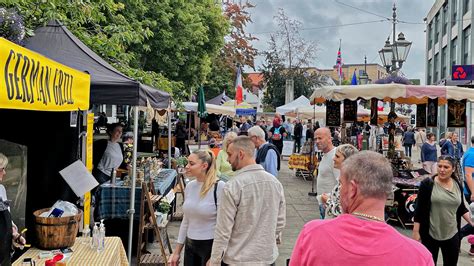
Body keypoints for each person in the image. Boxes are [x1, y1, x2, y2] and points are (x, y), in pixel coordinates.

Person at [290, 151, 434, 266]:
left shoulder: (312, 235)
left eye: (341, 184)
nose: (339, 191)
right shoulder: (419, 256)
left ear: (352, 189)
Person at [209, 136, 286, 265]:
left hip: (238, 259)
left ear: (240, 154)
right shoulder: (275, 183)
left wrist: (214, 260)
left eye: (230, 154)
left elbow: (223, 230)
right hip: (266, 257)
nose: (228, 159)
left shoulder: (233, 186)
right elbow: (280, 222)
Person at [413, 155, 474, 265]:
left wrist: (472, 222)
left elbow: (461, 208)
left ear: (453, 169)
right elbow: (419, 210)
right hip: (431, 233)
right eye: (439, 166)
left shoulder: (457, 185)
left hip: (452, 233)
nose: (442, 170)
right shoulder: (427, 184)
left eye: (446, 167)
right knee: (429, 263)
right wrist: (416, 232)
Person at [168, 150, 225, 266]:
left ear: (204, 166)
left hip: (210, 246)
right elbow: (186, 221)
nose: (187, 167)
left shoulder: (219, 187)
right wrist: (177, 252)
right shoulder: (190, 187)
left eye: (191, 163)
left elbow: (224, 225)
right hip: (190, 246)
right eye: (187, 163)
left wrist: (216, 256)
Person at [0, 153, 26, 265]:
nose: (5, 173)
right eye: (2, 169)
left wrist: (14, 234)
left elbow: (6, 220)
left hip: (4, 255)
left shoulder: (1, 189)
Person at [324, 144, 358, 219]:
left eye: (337, 156)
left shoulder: (349, 182)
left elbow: (342, 211)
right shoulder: (344, 178)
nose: (333, 158)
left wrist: (328, 201)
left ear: (347, 160)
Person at [315, 128, 339, 219]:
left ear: (329, 138)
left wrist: (330, 201)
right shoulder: (325, 155)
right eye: (315, 139)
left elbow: (340, 183)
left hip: (330, 206)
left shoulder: (335, 156)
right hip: (324, 204)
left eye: (320, 138)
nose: (317, 141)